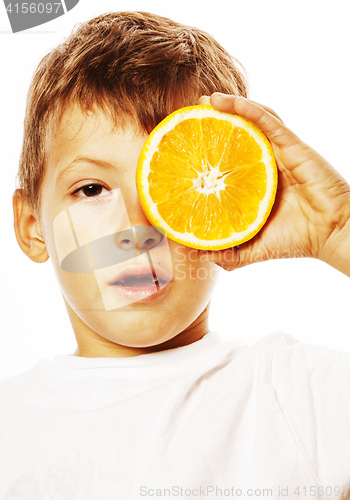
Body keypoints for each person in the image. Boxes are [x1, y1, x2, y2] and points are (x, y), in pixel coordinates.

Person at [1, 10, 350, 500]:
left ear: (231, 205)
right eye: (93, 188)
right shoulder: (9, 427)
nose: (138, 228)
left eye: (181, 185)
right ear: (32, 227)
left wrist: (339, 230)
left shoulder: (302, 398)